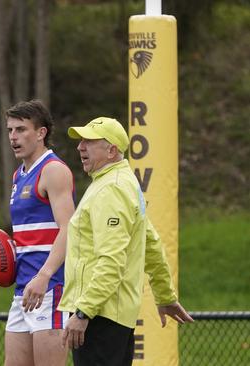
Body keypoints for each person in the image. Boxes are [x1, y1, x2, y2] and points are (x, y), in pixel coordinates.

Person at [58, 117, 193, 366]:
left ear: (112, 151)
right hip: (111, 316)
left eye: (89, 141)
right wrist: (164, 295)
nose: (80, 147)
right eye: (81, 141)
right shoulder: (123, 183)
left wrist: (83, 311)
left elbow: (112, 260)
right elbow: (150, 243)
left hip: (99, 316)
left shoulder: (112, 188)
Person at [0, 100, 75, 366]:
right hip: (23, 291)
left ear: (41, 133)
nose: (13, 137)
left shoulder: (53, 170)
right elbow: (27, 239)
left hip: (51, 288)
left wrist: (44, 276)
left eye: (21, 129)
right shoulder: (19, 176)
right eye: (10, 130)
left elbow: (70, 229)